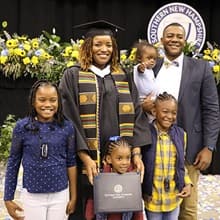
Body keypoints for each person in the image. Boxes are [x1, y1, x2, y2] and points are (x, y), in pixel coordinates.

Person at [59, 20, 151, 219]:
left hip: (120, 163)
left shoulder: (123, 75)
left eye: (108, 45)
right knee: (88, 211)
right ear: (88, 47)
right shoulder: (73, 75)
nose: (104, 49)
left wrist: (136, 154)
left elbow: (137, 114)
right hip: (87, 162)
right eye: (98, 44)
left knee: (120, 208)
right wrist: (85, 157)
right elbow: (69, 118)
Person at [142, 22, 219, 220]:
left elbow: (211, 109)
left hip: (189, 147)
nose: (174, 39)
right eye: (169, 35)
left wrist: (209, 147)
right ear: (161, 39)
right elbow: (135, 98)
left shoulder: (201, 68)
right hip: (153, 146)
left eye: (179, 36)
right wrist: (141, 106)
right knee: (152, 203)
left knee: (188, 207)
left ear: (185, 41)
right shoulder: (151, 65)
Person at [4, 80, 77, 220]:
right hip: (32, 195)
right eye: (42, 100)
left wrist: (73, 196)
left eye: (53, 100)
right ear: (33, 101)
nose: (48, 105)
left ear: (59, 102)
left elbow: (71, 162)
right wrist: (8, 197)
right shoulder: (22, 127)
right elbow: (13, 162)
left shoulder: (66, 127)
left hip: (60, 194)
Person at [142, 92, 192, 220]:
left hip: (174, 197)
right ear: (154, 111)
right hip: (153, 198)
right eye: (165, 111)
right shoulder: (146, 134)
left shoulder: (181, 135)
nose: (169, 116)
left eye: (173, 113)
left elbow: (181, 164)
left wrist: (187, 183)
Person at [85, 136, 144, 220]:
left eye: (128, 158)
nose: (125, 163)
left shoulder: (132, 179)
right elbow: (92, 198)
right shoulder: (101, 178)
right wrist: (89, 215)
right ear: (109, 159)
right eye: (119, 158)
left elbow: (137, 206)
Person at [132, 40, 159, 122]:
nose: (152, 61)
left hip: (151, 100)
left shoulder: (150, 70)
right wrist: (141, 67)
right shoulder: (139, 68)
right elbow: (140, 70)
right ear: (139, 58)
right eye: (149, 58)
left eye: (154, 59)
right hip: (142, 101)